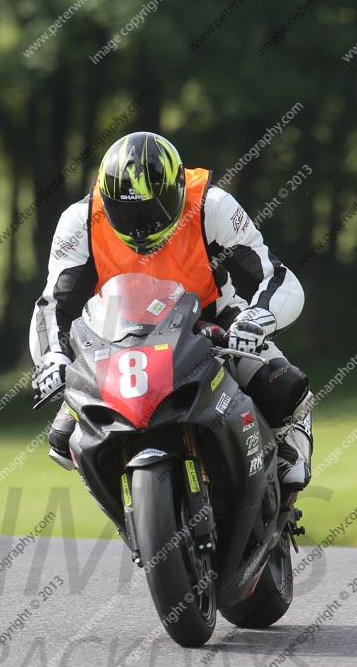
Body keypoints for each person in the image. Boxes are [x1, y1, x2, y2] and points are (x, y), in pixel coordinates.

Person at [29, 131, 313, 492]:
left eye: (151, 210)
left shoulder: (212, 205)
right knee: (63, 437)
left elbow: (276, 278)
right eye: (127, 211)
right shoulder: (81, 222)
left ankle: (288, 449)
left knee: (282, 388)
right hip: (116, 341)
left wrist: (255, 319)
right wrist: (53, 357)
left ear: (178, 189)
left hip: (211, 324)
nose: (140, 224)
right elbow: (53, 305)